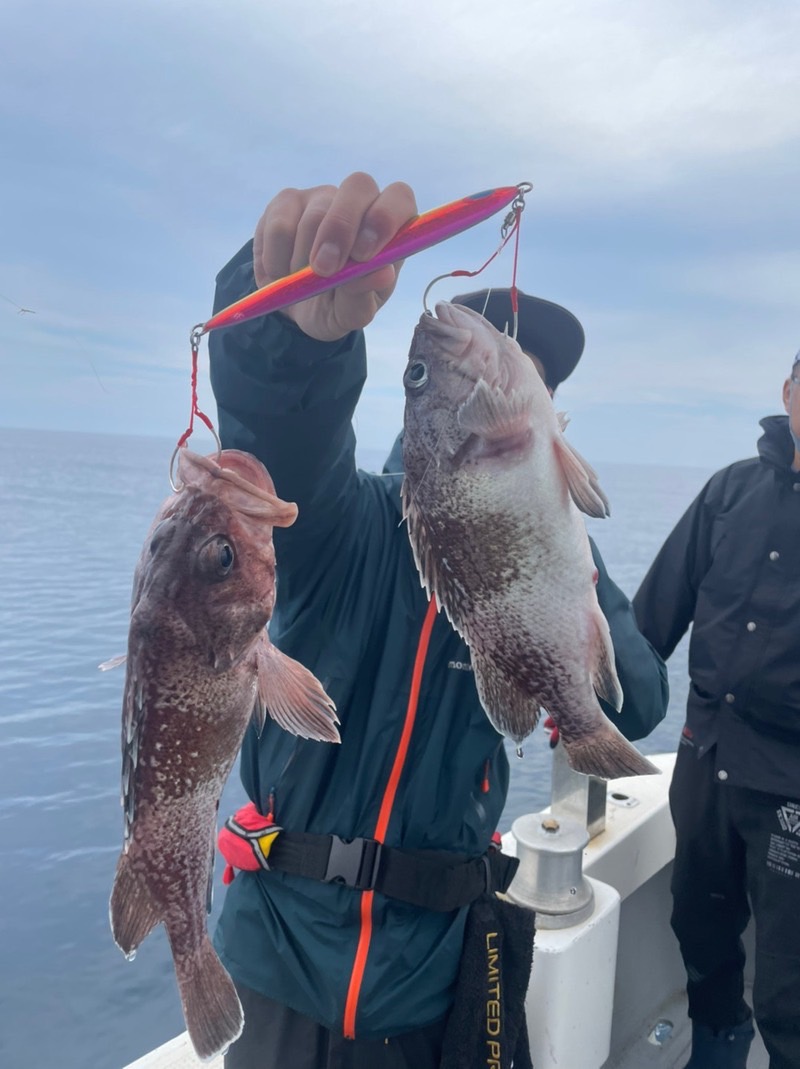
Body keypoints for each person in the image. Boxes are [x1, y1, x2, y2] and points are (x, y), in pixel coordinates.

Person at [207, 171, 669, 1069]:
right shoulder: (343, 525)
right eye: (495, 355)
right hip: (286, 969)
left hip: (440, 977)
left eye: (535, 374)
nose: (513, 374)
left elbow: (639, 702)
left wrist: (568, 559)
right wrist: (289, 338)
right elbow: (283, 440)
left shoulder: (559, 561)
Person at [632, 354, 800, 1069]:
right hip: (705, 757)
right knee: (698, 922)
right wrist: (596, 703)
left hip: (790, 784)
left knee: (790, 976)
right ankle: (716, 1048)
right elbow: (654, 614)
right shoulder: (730, 490)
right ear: (789, 391)